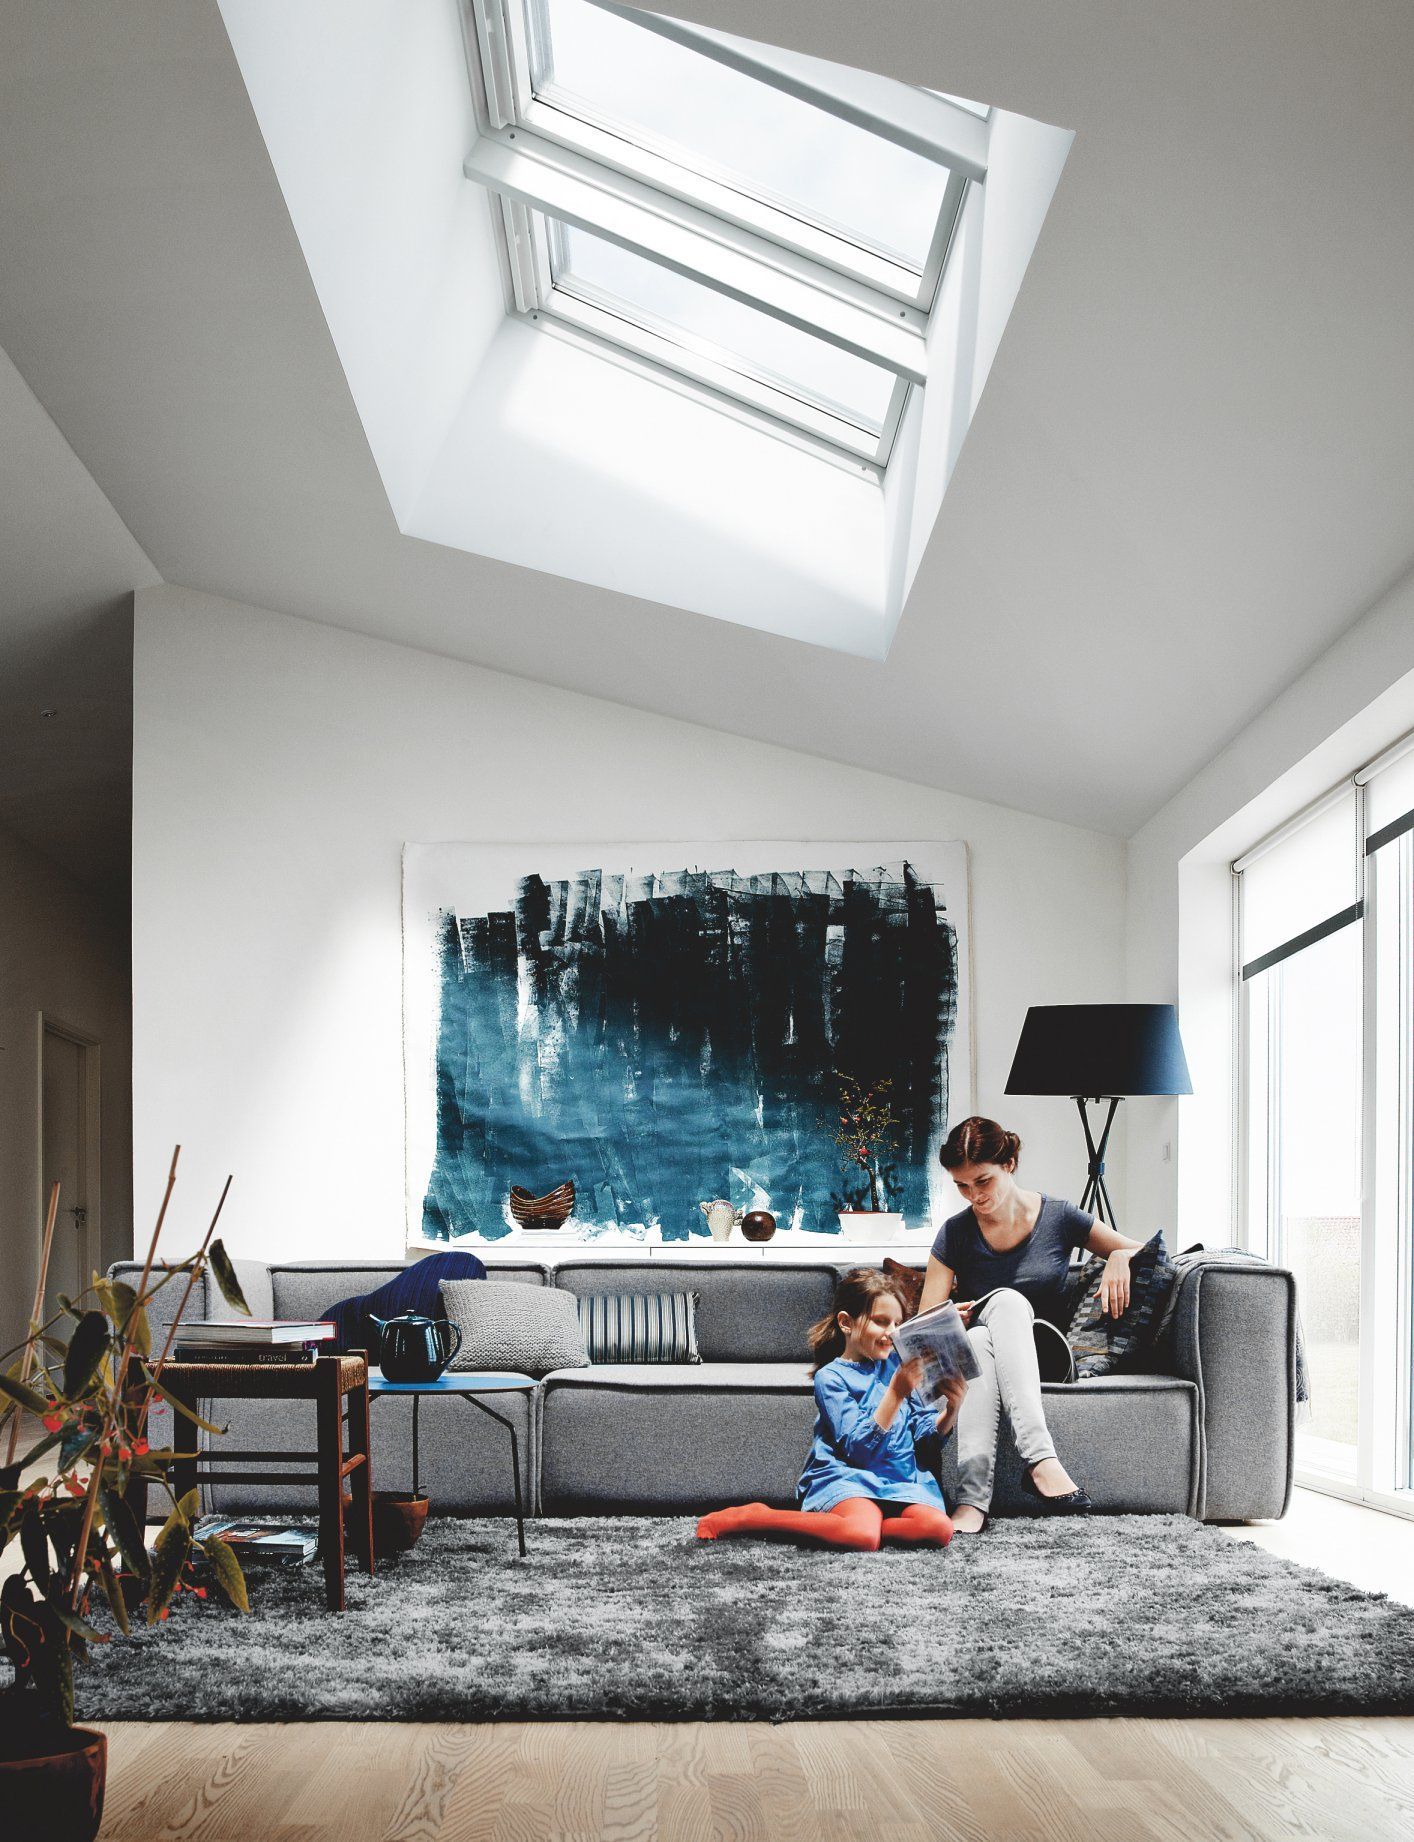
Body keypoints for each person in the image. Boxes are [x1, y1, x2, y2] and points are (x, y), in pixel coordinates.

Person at [918, 1115, 1143, 1532]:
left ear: (1010, 1164)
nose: (974, 1196)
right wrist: (951, 1316)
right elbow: (925, 1328)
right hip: (982, 1359)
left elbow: (1147, 1252)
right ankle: (973, 1501)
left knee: (1006, 1301)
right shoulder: (955, 1233)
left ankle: (1040, 1459)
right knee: (982, 1333)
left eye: (982, 1181)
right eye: (962, 1187)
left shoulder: (1059, 1217)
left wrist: (1117, 1256)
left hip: (1046, 1355)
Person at [696, 1268, 963, 1552]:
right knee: (861, 1537)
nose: (891, 1333)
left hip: (901, 1479)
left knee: (939, 1528)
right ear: (846, 1323)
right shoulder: (832, 1378)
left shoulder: (901, 1366)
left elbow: (925, 1439)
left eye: (897, 1323)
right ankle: (758, 1517)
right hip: (849, 1475)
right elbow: (858, 1449)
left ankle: (869, 1522)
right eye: (880, 1322)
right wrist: (896, 1394)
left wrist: (951, 1410)